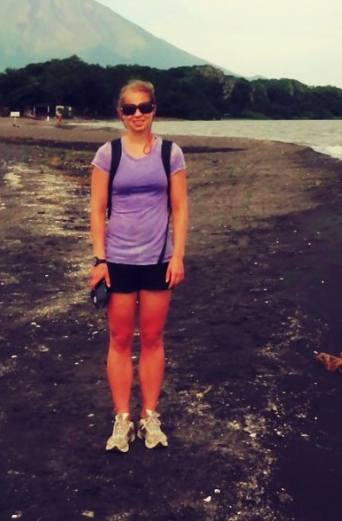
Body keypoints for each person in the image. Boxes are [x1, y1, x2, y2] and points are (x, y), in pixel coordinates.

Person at [89, 79, 188, 453]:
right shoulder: (108, 154)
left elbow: (179, 208)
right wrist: (100, 260)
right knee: (118, 339)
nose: (137, 114)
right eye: (130, 108)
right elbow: (97, 210)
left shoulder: (170, 154)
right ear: (120, 113)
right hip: (117, 260)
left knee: (152, 338)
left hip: (158, 260)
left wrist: (178, 255)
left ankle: (149, 416)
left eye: (144, 107)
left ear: (154, 110)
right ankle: (122, 419)